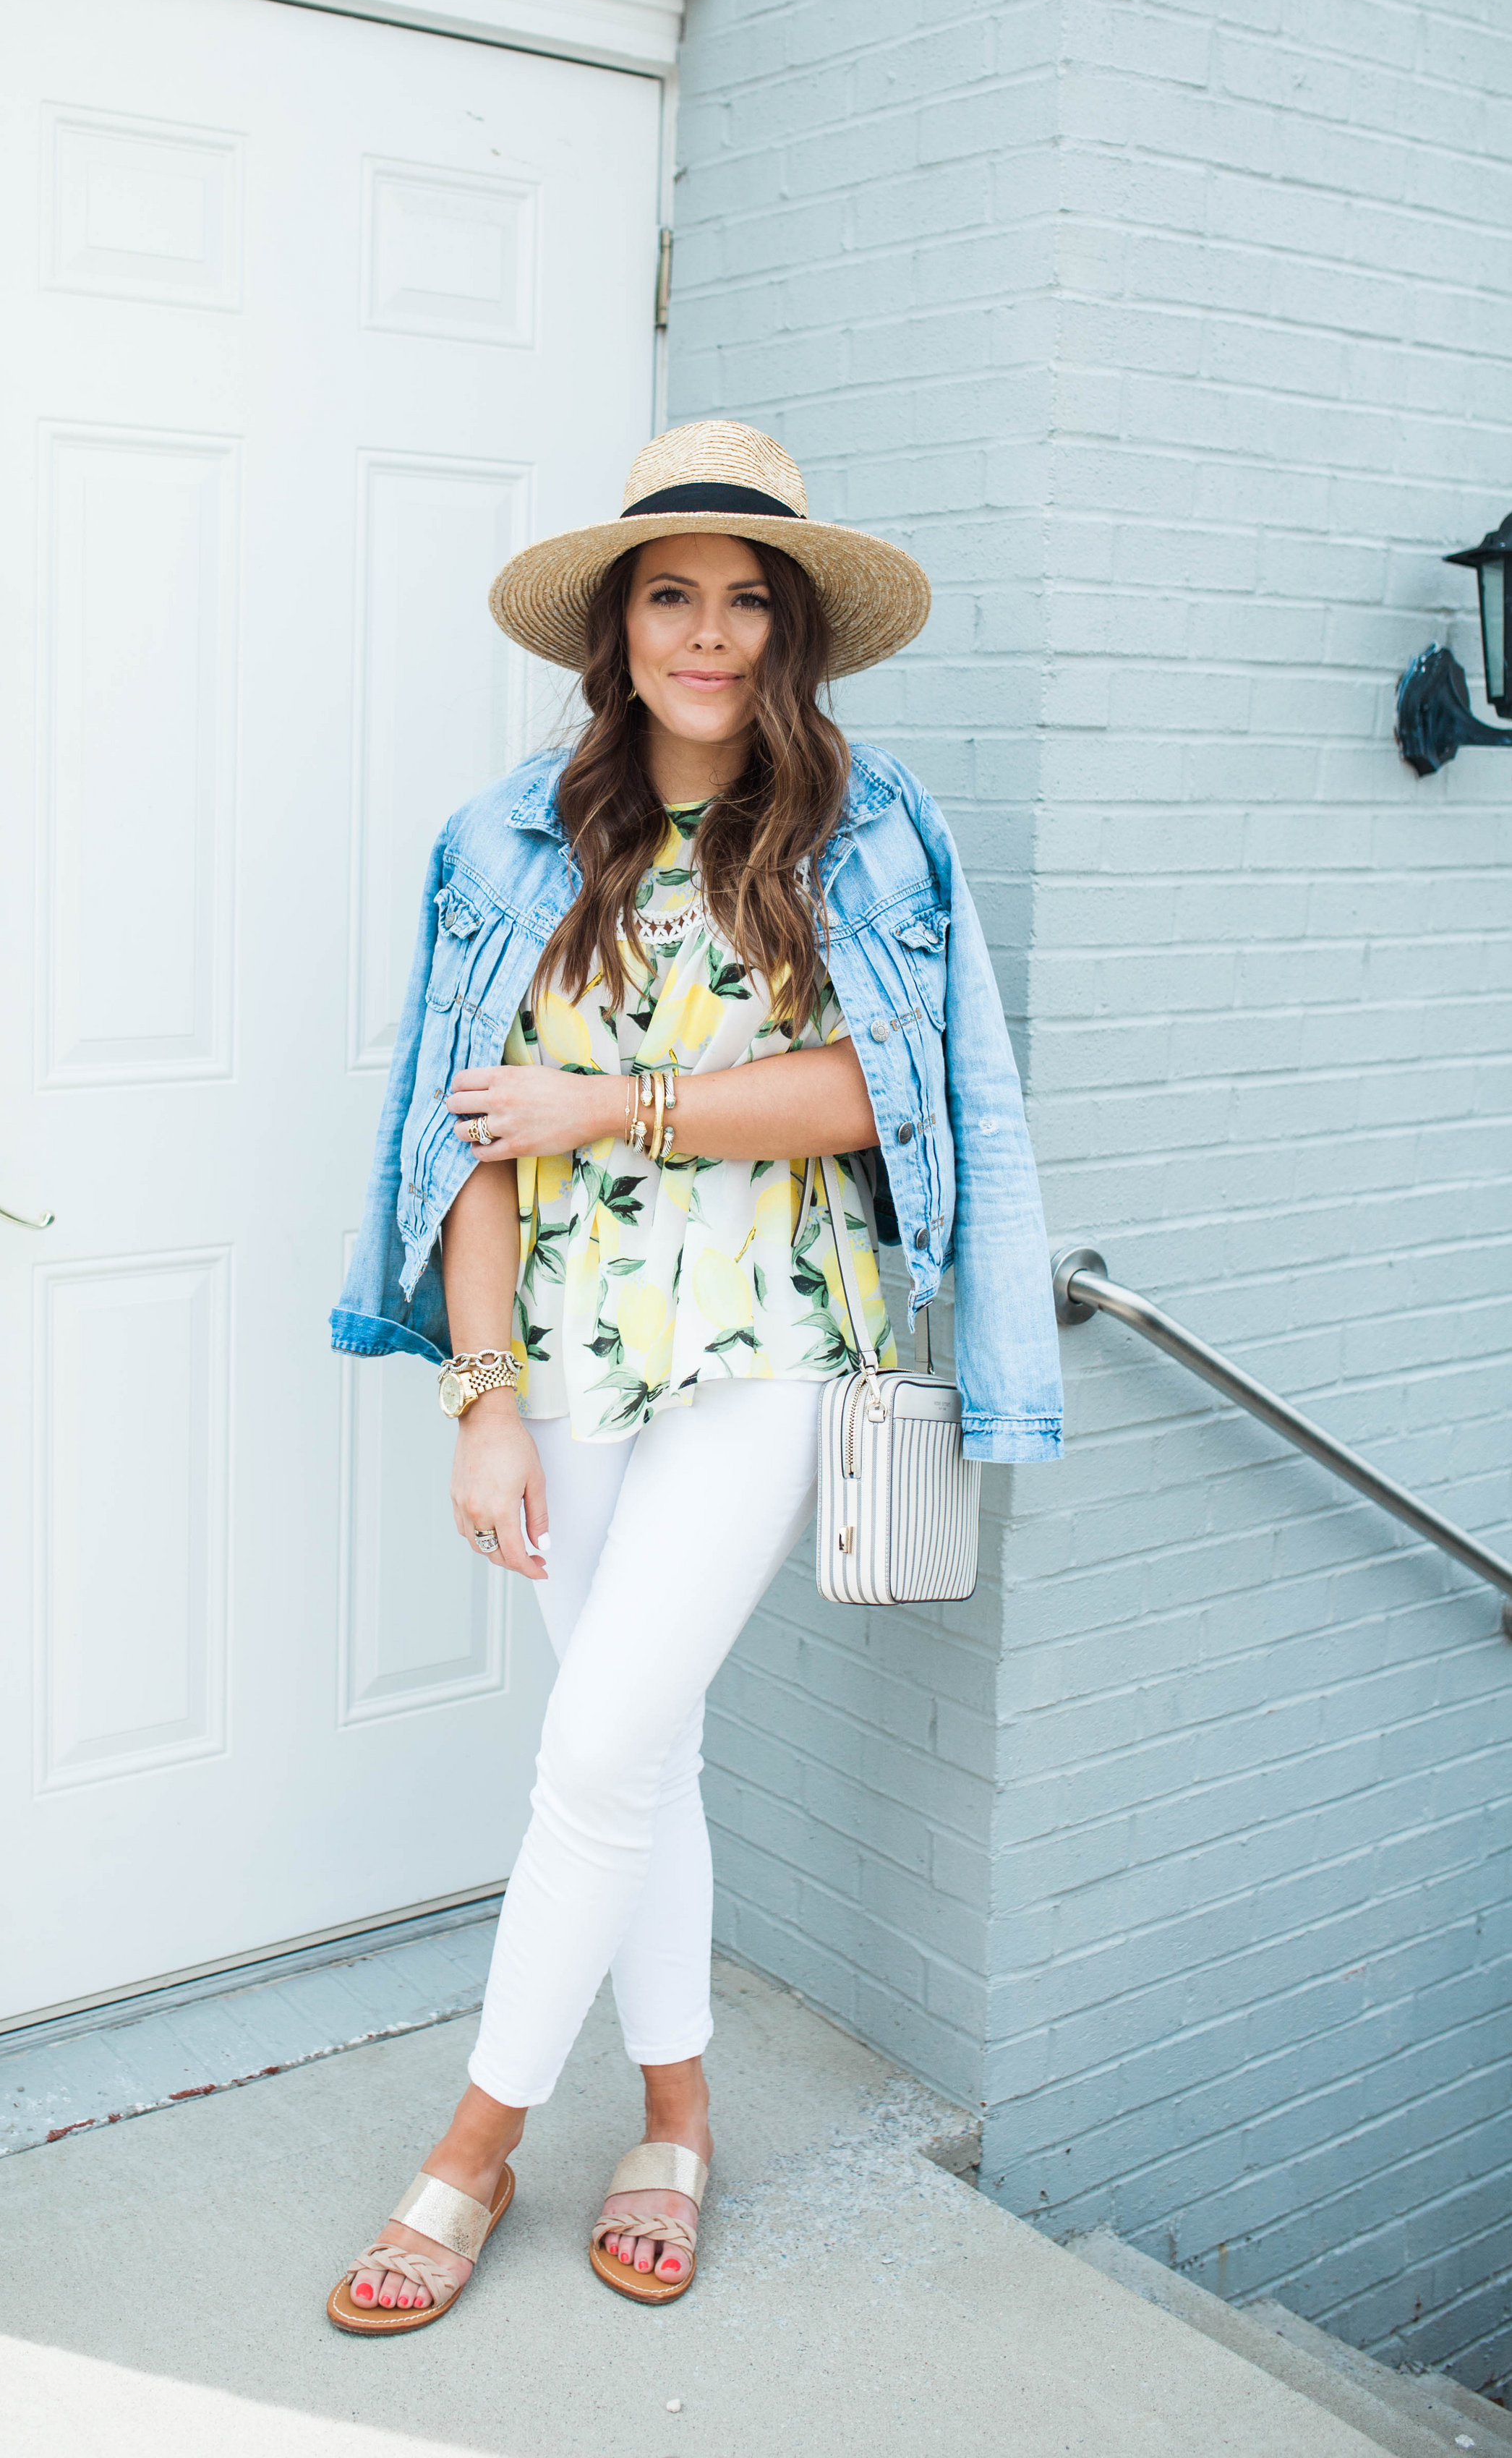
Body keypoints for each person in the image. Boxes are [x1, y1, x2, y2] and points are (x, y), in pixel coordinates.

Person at [326, 419, 1062, 2332]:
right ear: (616, 628)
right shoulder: (504, 840)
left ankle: (473, 2145)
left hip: (770, 1349)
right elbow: (470, 1133)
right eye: (675, 596)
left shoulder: (865, 828)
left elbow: (879, 1095)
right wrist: (478, 1396)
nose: (711, 637)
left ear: (791, 635)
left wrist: (623, 1104)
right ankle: (673, 2118)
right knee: (640, 1751)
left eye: (749, 604)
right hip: (560, 1354)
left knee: (588, 1753)